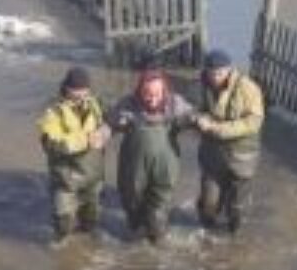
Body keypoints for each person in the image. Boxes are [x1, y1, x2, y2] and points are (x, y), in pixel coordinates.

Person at [107, 68, 196, 244]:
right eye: (147, 94)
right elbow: (109, 123)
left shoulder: (175, 104)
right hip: (133, 170)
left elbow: (192, 117)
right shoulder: (128, 104)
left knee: (157, 219)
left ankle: (156, 255)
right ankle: (134, 254)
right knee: (133, 214)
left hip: (164, 170)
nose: (153, 99)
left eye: (157, 93)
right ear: (140, 91)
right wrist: (103, 132)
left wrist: (196, 121)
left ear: (165, 91)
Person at [194, 49, 265, 234]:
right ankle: (206, 236)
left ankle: (235, 239)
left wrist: (219, 129)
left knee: (236, 208)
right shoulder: (203, 84)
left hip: (241, 155)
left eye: (220, 72)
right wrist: (199, 118)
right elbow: (199, 108)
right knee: (208, 203)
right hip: (212, 154)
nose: (215, 77)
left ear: (229, 70)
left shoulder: (248, 88)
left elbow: (254, 121)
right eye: (211, 73)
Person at [37, 66, 110, 241]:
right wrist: (85, 140)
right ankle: (60, 245)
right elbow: (51, 144)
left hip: (93, 176)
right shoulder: (52, 110)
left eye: (84, 91)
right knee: (63, 225)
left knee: (91, 221)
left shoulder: (95, 103)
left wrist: (105, 132)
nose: (80, 95)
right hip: (66, 178)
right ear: (66, 88)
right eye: (75, 90)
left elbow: (111, 119)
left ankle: (86, 247)